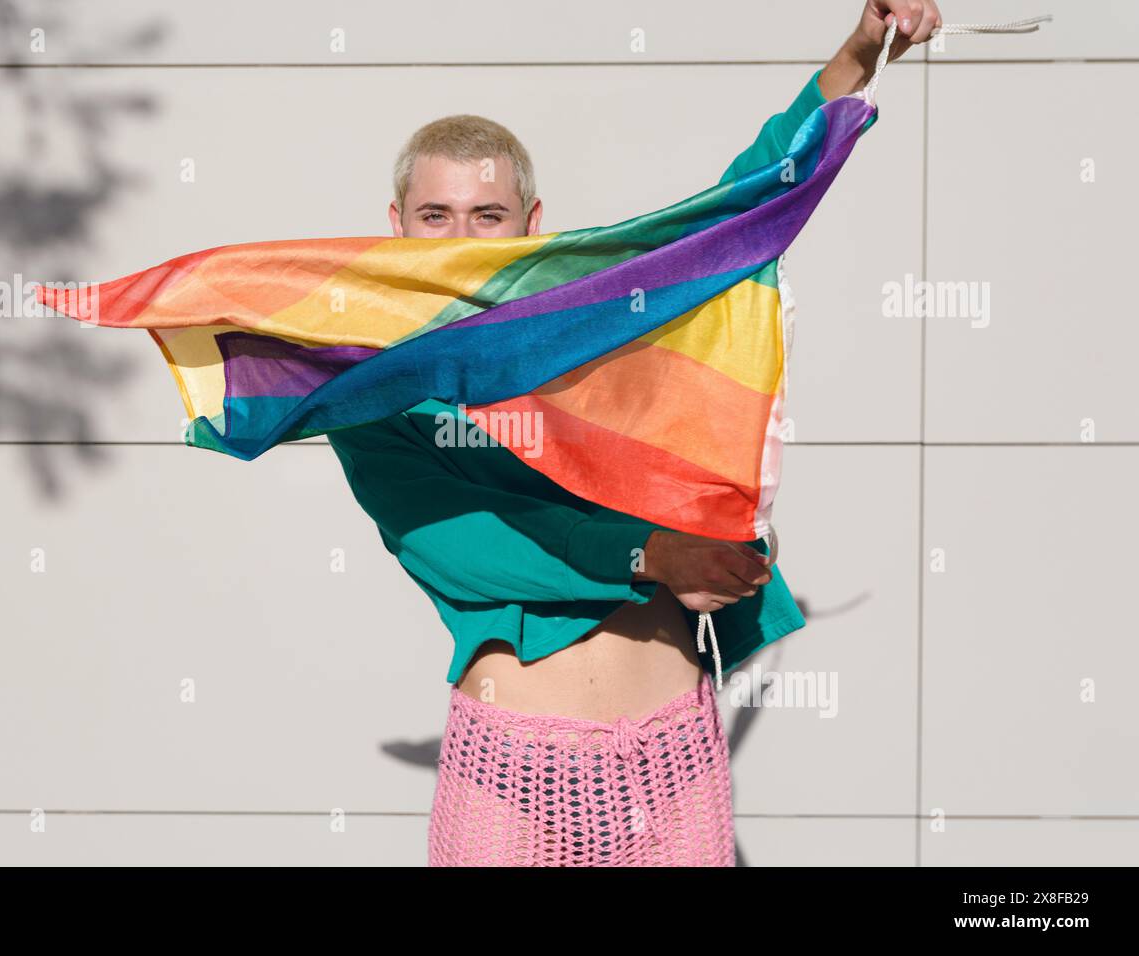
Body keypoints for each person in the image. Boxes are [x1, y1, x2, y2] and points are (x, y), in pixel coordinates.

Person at [328, 0, 943, 866]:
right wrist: (648, 555)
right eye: (436, 216)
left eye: (486, 216)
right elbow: (458, 543)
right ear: (397, 228)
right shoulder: (371, 391)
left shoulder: (596, 322)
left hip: (672, 763)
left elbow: (733, 215)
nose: (459, 239)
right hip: (514, 768)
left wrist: (854, 56)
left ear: (531, 223)